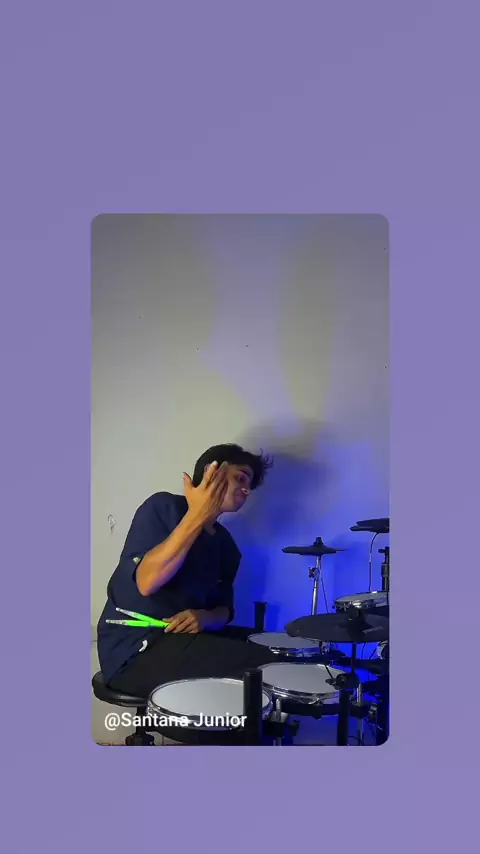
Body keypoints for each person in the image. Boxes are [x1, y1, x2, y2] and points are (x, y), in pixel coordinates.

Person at [97, 443, 278, 698]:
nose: (246, 490)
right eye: (240, 478)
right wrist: (199, 514)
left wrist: (205, 617)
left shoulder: (226, 545)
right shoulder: (164, 507)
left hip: (189, 639)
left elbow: (225, 611)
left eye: (249, 486)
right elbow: (147, 583)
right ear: (212, 472)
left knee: (274, 650)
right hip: (135, 648)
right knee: (262, 666)